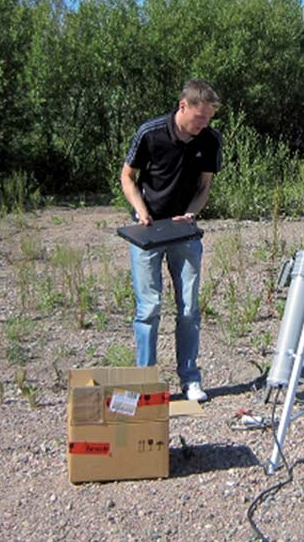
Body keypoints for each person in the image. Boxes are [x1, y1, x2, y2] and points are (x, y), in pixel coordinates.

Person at [120, 79, 222, 402]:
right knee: (148, 309)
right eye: (200, 117)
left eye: (209, 119)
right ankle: (145, 383)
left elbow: (204, 187)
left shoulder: (211, 140)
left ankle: (190, 378)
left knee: (190, 308)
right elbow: (127, 177)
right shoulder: (150, 133)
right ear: (183, 106)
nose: (204, 124)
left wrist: (191, 213)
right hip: (148, 230)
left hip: (184, 231)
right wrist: (140, 210)